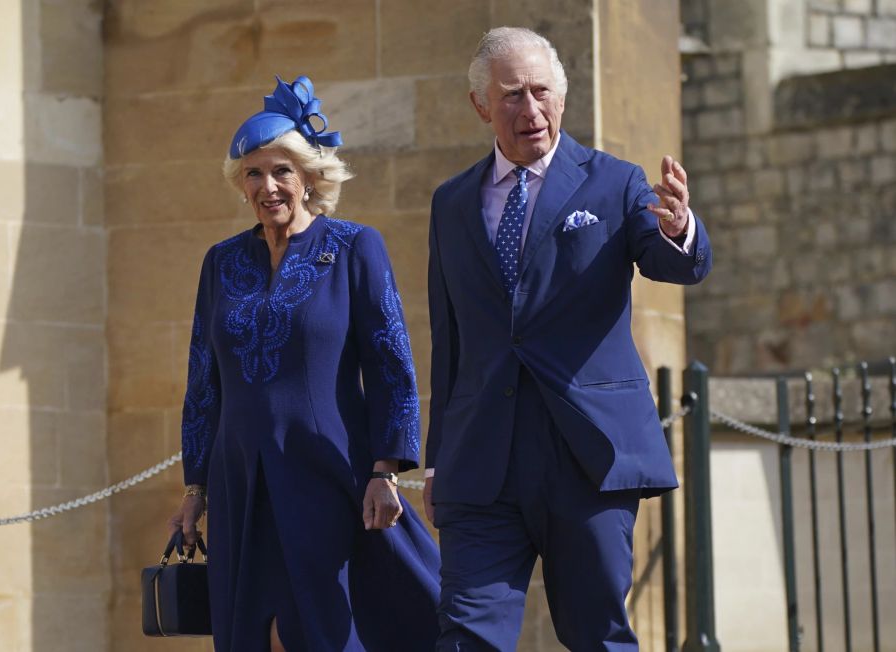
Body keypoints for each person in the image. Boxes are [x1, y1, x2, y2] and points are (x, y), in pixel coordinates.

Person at [424, 27, 713, 650]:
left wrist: (681, 228)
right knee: (464, 636)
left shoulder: (615, 182)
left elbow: (673, 263)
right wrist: (436, 459)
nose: (529, 110)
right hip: (481, 464)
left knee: (596, 635)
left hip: (587, 453)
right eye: (510, 96)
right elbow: (449, 342)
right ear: (481, 105)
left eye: (541, 92)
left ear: (562, 96)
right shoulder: (450, 203)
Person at [167, 75, 440, 652]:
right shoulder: (220, 263)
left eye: (281, 171)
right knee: (251, 636)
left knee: (315, 629)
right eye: (254, 174)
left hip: (326, 475)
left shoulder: (353, 246)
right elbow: (202, 382)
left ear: (310, 176)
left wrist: (385, 470)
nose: (268, 186)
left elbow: (392, 362)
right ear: (240, 186)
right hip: (239, 479)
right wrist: (195, 487)